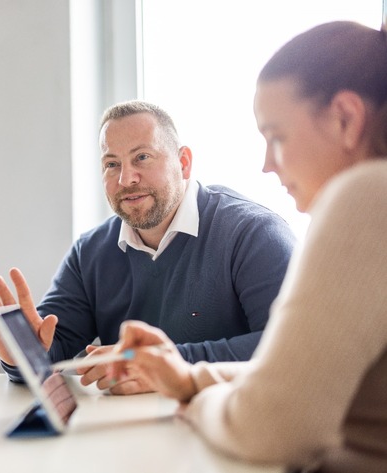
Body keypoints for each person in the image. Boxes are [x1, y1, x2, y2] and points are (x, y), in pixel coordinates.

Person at [107, 21, 387, 472]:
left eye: (277, 137)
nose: (266, 165)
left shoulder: (367, 196)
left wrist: (196, 405)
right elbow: (297, 382)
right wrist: (191, 378)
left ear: (346, 119)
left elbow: (273, 428)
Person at [0, 100, 296, 394]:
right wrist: (22, 354)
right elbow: (51, 352)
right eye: (111, 164)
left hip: (225, 430)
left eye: (142, 158)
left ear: (184, 163)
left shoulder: (254, 233)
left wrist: (163, 367)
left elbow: (291, 348)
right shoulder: (89, 252)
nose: (126, 179)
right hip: (127, 432)